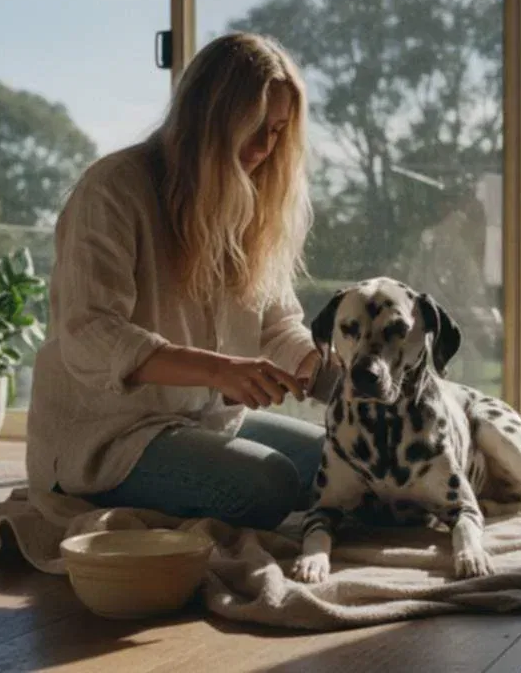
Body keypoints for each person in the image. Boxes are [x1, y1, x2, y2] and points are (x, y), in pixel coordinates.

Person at [26, 32, 327, 531]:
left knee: (338, 461)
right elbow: (88, 334)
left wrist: (324, 370)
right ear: (208, 117)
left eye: (276, 131)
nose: (264, 147)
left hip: (205, 423)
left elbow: (278, 327)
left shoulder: (251, 200)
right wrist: (218, 370)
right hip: (110, 439)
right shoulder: (113, 189)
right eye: (252, 127)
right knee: (268, 483)